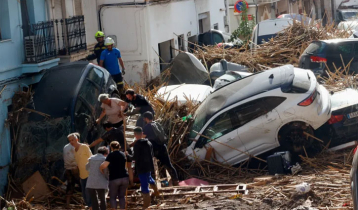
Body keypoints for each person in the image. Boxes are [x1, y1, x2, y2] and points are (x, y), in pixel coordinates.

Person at [142, 111, 179, 186]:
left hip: (154, 149)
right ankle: (176, 181)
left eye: (144, 119)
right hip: (162, 147)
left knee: (150, 166)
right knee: (168, 165)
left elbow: (142, 137)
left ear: (146, 118)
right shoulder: (157, 124)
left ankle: (152, 184)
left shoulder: (147, 127)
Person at [127, 127, 160, 209]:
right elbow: (152, 155)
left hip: (141, 167)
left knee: (144, 185)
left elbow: (135, 157)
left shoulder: (137, 144)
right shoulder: (149, 142)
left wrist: (127, 155)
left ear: (135, 134)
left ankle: (146, 205)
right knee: (149, 178)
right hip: (148, 165)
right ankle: (156, 192)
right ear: (142, 133)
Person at [100, 141, 129, 209]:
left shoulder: (111, 155)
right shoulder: (123, 154)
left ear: (111, 147)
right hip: (124, 177)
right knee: (121, 196)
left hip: (114, 178)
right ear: (119, 147)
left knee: (113, 197)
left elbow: (104, 165)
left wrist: (100, 168)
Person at [68, 132, 92, 209]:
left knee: (88, 194)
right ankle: (90, 206)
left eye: (73, 140)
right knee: (84, 195)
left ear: (77, 139)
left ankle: (92, 207)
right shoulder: (75, 150)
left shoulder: (84, 147)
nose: (71, 142)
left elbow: (91, 158)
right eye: (70, 140)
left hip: (89, 173)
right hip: (82, 175)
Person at [63, 142, 80, 208]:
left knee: (70, 185)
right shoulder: (76, 146)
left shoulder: (65, 146)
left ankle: (67, 203)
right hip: (75, 168)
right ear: (77, 139)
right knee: (83, 184)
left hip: (68, 168)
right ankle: (88, 203)